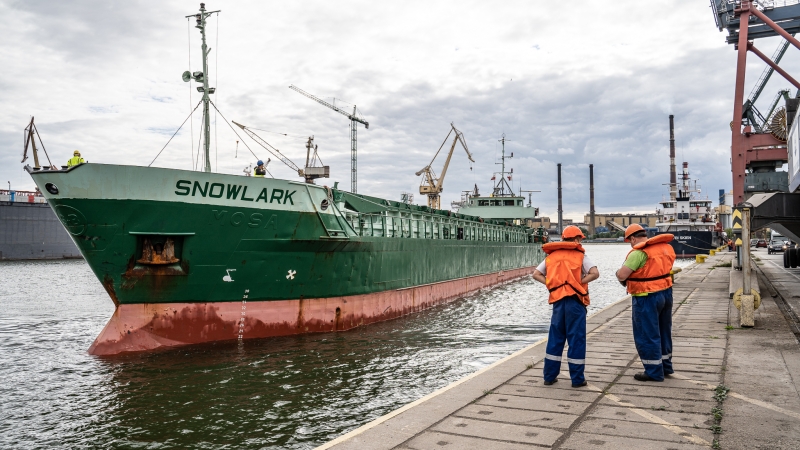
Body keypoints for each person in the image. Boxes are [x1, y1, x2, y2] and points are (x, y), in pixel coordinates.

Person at [532, 225, 599, 388]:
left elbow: (536, 274)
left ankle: (549, 376)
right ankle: (577, 379)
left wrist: (550, 283)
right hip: (575, 302)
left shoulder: (552, 256)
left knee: (555, 338)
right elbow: (595, 273)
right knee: (576, 339)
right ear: (576, 239)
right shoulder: (580, 255)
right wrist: (579, 282)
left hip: (558, 301)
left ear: (563, 239)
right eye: (580, 240)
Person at [615, 224, 677, 382]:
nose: (630, 244)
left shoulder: (638, 252)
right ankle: (666, 366)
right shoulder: (664, 247)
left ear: (633, 238)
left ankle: (653, 371)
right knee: (664, 331)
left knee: (647, 334)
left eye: (629, 241)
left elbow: (622, 275)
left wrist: (617, 273)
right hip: (666, 292)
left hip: (646, 296)